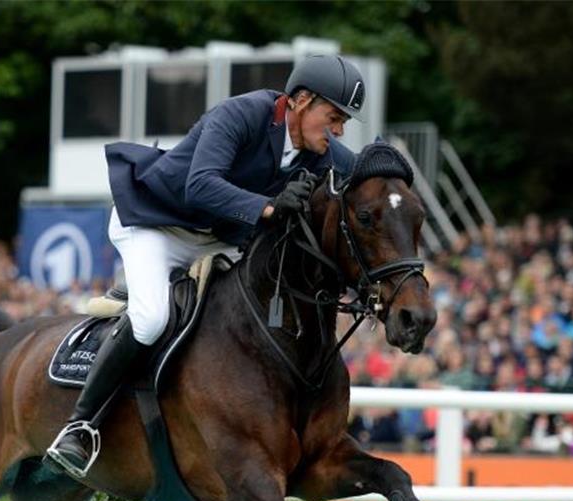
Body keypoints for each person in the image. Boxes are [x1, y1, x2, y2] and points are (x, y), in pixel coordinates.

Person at [45, 55, 366, 478]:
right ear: (301, 100)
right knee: (150, 319)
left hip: (216, 241)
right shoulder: (241, 114)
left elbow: (365, 175)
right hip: (155, 227)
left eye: (344, 123)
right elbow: (200, 184)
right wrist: (267, 207)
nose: (338, 131)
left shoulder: (318, 152)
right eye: (335, 117)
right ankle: (80, 426)